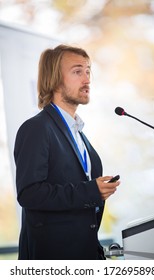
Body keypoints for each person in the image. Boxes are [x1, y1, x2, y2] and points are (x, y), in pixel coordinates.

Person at [14, 44, 120, 260]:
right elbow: (29, 194)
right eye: (77, 71)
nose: (87, 79)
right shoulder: (37, 128)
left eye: (88, 71)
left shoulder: (79, 134)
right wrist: (91, 191)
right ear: (54, 79)